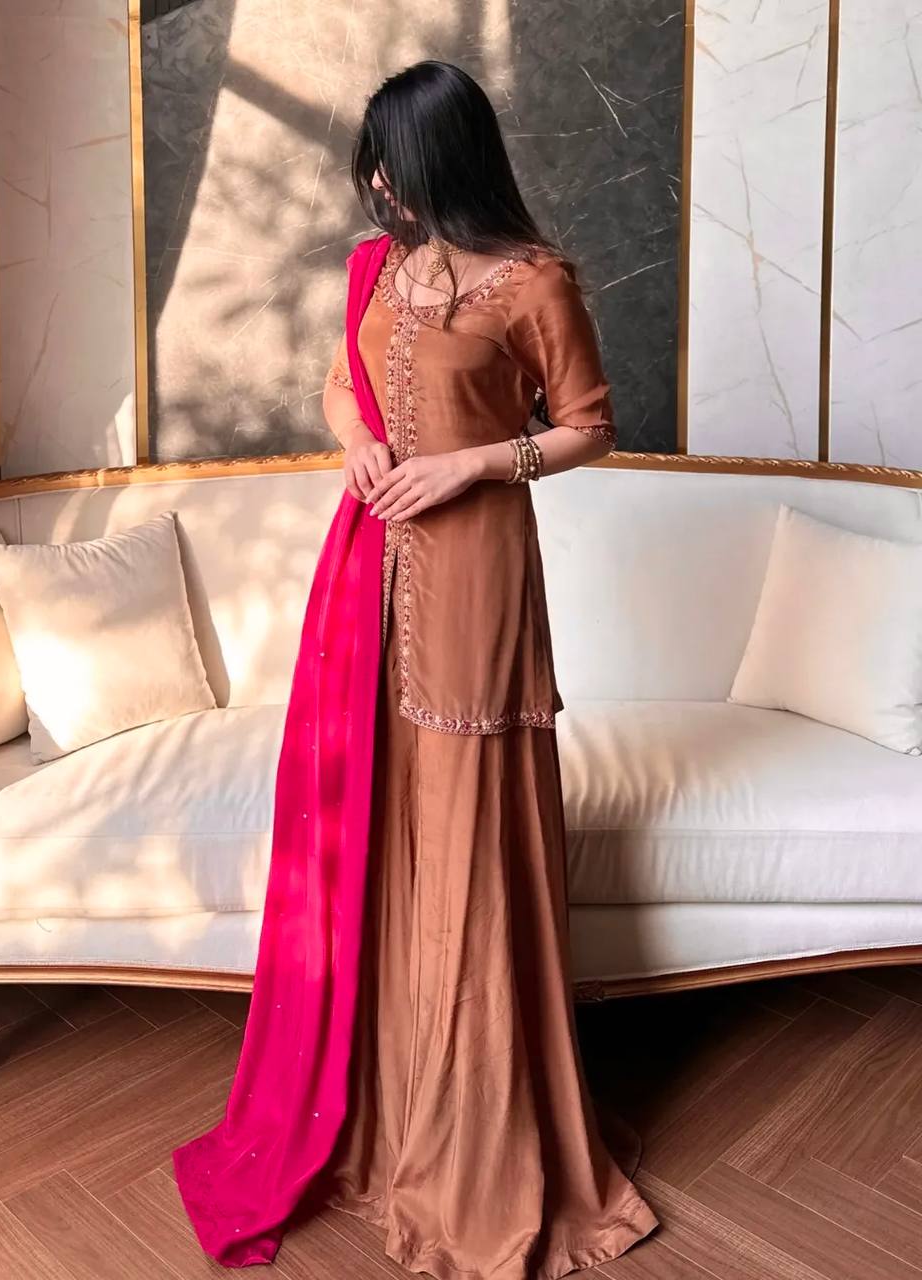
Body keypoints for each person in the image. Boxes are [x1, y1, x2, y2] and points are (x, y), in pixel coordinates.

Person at [173, 59, 660, 1279]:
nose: (377, 181)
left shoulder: (533, 281)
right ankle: (384, 1104)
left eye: (393, 160)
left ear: (444, 158)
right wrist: (360, 447)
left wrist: (470, 466)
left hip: (478, 571)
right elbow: (341, 378)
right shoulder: (383, 263)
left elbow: (591, 424)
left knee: (468, 831)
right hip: (367, 571)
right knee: (385, 821)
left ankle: (482, 1133)